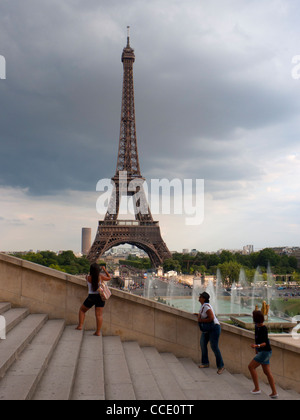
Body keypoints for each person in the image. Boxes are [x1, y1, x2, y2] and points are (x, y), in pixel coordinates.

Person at [248, 310, 278, 398]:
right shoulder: (256, 326)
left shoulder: (264, 328)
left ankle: (257, 389)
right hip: (264, 352)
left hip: (265, 352)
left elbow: (265, 342)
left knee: (251, 367)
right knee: (267, 372)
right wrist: (256, 350)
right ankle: (274, 392)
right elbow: (256, 338)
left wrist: (256, 346)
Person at [76, 263, 111, 336]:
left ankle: (80, 326)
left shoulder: (87, 277)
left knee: (82, 310)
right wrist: (104, 270)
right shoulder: (100, 277)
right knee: (99, 315)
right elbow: (109, 277)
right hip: (100, 297)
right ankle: (98, 332)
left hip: (91, 297)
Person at [197, 291, 225, 374]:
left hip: (214, 328)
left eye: (200, 296)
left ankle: (221, 366)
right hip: (207, 329)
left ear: (204, 298)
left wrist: (201, 320)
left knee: (214, 347)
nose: (199, 298)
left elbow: (211, 318)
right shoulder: (203, 306)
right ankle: (205, 363)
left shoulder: (206, 307)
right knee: (202, 343)